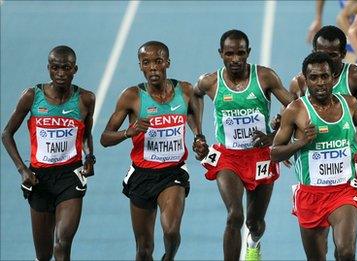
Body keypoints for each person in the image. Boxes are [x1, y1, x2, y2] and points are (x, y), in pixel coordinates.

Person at [100, 41, 207, 261]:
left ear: (167, 62)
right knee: (143, 249)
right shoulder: (131, 96)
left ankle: (169, 257)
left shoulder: (185, 90)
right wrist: (128, 132)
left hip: (172, 173)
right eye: (146, 63)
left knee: (171, 231)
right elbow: (104, 138)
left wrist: (198, 136)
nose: (153, 68)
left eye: (158, 61)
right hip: (142, 175)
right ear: (140, 66)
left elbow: (193, 113)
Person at [192, 29, 292, 261]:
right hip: (228, 157)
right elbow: (193, 96)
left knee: (254, 223)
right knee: (234, 215)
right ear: (221, 54)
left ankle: (254, 242)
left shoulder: (265, 77)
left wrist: (276, 134)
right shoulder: (210, 82)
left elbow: (296, 106)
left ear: (248, 52)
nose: (235, 59)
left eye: (240, 53)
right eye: (229, 54)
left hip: (260, 156)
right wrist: (199, 133)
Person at [1, 45, 96, 260]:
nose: (61, 73)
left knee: (61, 245)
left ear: (75, 69)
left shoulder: (85, 99)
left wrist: (89, 156)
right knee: (43, 256)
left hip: (70, 177)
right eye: (55, 68)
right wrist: (22, 169)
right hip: (39, 179)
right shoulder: (32, 96)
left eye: (66, 68)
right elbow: (6, 134)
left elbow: (86, 134)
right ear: (49, 69)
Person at [271, 52, 357, 260]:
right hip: (311, 194)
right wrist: (300, 143)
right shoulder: (295, 110)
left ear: (333, 77)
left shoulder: (349, 103)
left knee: (347, 252)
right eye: (314, 78)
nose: (320, 83)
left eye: (325, 77)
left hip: (344, 189)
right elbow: (275, 153)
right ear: (306, 81)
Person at [290, 25, 357, 105]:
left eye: (332, 55)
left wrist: (356, 111)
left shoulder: (355, 76)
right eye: (321, 54)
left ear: (343, 54)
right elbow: (288, 115)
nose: (326, 60)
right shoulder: (300, 81)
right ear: (314, 53)